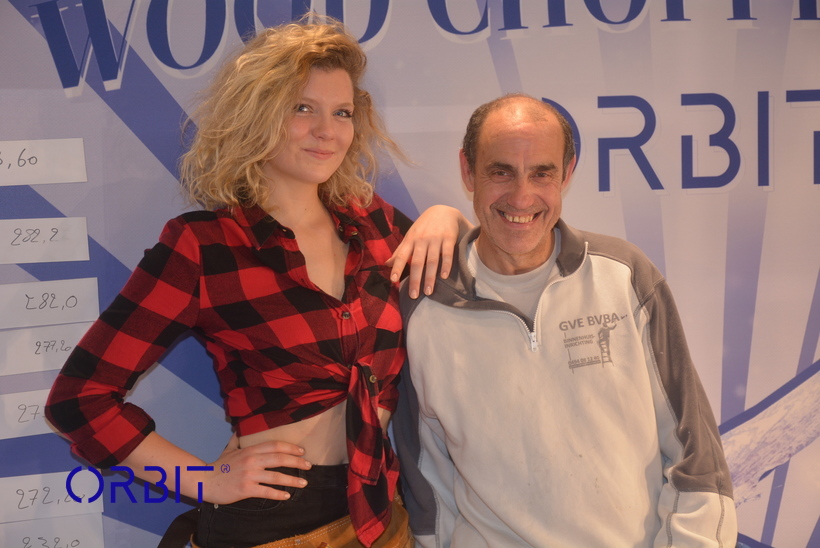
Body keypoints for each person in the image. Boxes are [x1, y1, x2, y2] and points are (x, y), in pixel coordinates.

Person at [45, 17, 466, 548]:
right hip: (272, 527)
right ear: (256, 113)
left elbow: (471, 296)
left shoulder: (376, 225)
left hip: (383, 515)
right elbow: (79, 399)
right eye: (302, 108)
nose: (327, 131)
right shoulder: (204, 246)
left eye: (341, 112)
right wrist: (203, 481)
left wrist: (449, 217)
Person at [393, 94, 738, 547]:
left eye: (542, 173)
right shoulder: (424, 307)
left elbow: (695, 458)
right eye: (501, 172)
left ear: (567, 174)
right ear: (467, 171)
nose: (522, 196)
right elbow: (427, 490)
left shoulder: (625, 276)